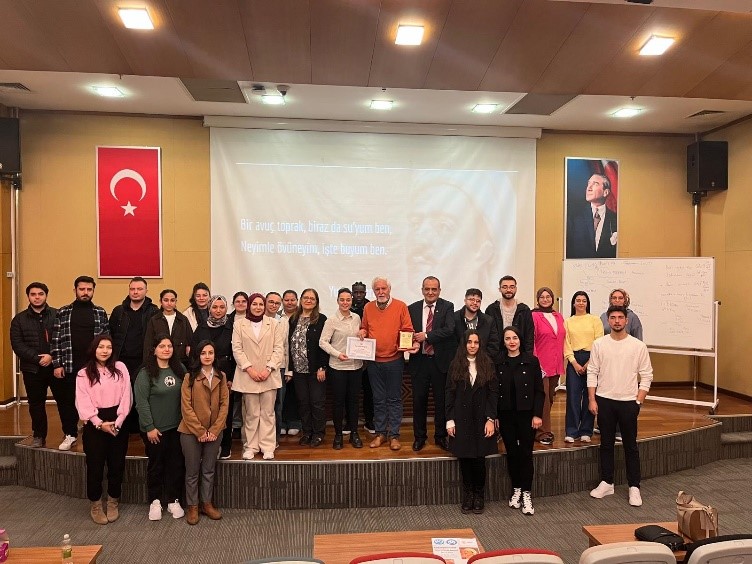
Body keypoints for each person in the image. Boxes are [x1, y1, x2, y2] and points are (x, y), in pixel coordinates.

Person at [588, 305, 653, 507]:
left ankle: (634, 486)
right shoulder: (599, 344)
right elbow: (592, 371)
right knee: (606, 444)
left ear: (626, 320)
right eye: (613, 317)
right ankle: (607, 482)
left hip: (628, 402)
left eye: (620, 317)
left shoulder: (637, 346)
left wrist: (638, 400)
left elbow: (647, 375)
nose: (616, 321)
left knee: (630, 445)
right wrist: (592, 399)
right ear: (608, 320)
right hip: (604, 400)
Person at [74, 334, 131, 525]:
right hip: (95, 424)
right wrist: (99, 423)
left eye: (108, 347)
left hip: (118, 421)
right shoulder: (83, 373)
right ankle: (96, 504)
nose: (105, 351)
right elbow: (82, 401)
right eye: (101, 347)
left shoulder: (121, 368)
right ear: (94, 349)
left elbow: (127, 396)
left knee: (117, 464)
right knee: (95, 466)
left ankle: (113, 501)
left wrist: (118, 421)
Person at [51, 275, 109, 451]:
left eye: (89, 289)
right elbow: (55, 340)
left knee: (95, 401)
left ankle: (94, 431)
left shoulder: (100, 312)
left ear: (93, 291)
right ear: (75, 290)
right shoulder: (63, 312)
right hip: (69, 365)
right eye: (82, 289)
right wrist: (57, 364)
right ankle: (70, 434)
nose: (85, 292)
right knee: (67, 402)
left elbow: (106, 340)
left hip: (93, 367)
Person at [358, 276, 416, 451]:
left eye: (384, 288)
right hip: (373, 362)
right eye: (377, 289)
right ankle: (381, 434)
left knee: (394, 399)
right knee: (378, 400)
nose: (381, 292)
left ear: (389, 289)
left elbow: (408, 329)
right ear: (373, 291)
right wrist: (362, 332)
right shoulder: (368, 307)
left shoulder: (401, 306)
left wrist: (408, 344)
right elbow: (364, 327)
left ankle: (394, 436)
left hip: (395, 361)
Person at [134, 335, 187, 521]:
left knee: (176, 464)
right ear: (154, 350)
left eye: (169, 346)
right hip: (154, 430)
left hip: (177, 428)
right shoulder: (145, 373)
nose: (166, 349)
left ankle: (173, 500)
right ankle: (155, 501)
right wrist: (149, 427)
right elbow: (141, 402)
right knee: (156, 465)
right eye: (162, 346)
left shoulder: (180, 369)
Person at [445, 329, 498, 514]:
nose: (473, 345)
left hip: (482, 419)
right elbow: (449, 393)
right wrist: (450, 420)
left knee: (479, 460)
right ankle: (467, 495)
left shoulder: (487, 364)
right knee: (465, 459)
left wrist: (490, 419)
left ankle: (479, 495)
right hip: (461, 419)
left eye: (476, 342)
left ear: (480, 344)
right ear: (464, 344)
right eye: (469, 342)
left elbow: (493, 394)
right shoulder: (455, 364)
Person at [178, 340, 229, 525]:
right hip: (191, 432)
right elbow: (186, 407)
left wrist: (214, 430)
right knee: (192, 472)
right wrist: (200, 431)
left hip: (215, 431)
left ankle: (206, 503)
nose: (207, 356)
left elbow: (224, 405)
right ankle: (192, 506)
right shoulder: (189, 377)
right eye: (203, 353)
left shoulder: (221, 376)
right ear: (198, 355)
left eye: (210, 353)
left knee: (208, 470)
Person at [497, 326, 544, 516]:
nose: (511, 342)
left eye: (515, 338)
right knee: (512, 453)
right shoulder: (498, 362)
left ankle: (526, 493)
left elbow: (539, 391)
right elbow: (494, 391)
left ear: (520, 340)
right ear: (503, 342)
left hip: (527, 415)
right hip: (506, 415)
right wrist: (494, 416)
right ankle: (516, 489)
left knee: (525, 453)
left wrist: (537, 414)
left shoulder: (532, 361)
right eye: (507, 338)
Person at [232, 293, 285, 459]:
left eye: (261, 304)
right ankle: (251, 446)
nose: (258, 307)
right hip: (248, 375)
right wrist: (250, 370)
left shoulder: (274, 324)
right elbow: (237, 349)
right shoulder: (239, 324)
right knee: (251, 413)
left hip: (269, 375)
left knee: (268, 413)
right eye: (254, 304)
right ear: (249, 305)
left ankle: (268, 446)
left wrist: (268, 369)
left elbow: (279, 349)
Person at [408, 276, 455, 452]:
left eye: (434, 289)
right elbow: (407, 332)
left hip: (439, 362)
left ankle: (440, 436)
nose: (430, 292)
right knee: (418, 401)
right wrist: (411, 342)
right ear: (422, 290)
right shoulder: (412, 308)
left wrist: (426, 336)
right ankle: (419, 437)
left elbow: (449, 330)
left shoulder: (447, 306)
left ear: (439, 291)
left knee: (441, 402)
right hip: (419, 362)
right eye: (427, 289)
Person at [10, 282, 58, 448]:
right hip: (32, 369)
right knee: (36, 404)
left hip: (56, 367)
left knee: (65, 402)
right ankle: (39, 435)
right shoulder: (19, 319)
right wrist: (38, 359)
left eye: (40, 294)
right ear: (28, 297)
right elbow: (17, 344)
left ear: (46, 295)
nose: (37, 297)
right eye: (33, 294)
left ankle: (70, 433)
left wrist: (51, 356)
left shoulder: (57, 315)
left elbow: (63, 339)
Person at [109, 276, 159, 433]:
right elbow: (111, 335)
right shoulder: (119, 311)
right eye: (132, 289)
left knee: (141, 394)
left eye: (139, 289)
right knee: (123, 394)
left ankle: (141, 426)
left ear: (146, 291)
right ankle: (125, 426)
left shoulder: (154, 311)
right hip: (121, 361)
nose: (135, 292)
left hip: (144, 361)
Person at [191, 296, 235, 460]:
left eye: (222, 307)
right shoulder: (201, 328)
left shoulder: (232, 327)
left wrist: (232, 378)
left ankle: (225, 446)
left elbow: (236, 354)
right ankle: (206, 443)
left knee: (225, 411)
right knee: (206, 409)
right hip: (203, 374)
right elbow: (194, 353)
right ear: (209, 309)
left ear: (226, 309)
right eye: (215, 307)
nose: (218, 310)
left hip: (225, 374)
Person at [319, 288, 364, 449]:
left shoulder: (357, 318)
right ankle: (338, 435)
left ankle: (354, 433)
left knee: (354, 402)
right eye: (342, 299)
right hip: (337, 367)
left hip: (356, 366)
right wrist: (337, 354)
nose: (345, 302)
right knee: (338, 402)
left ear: (351, 301)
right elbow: (323, 342)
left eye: (348, 300)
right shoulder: (331, 320)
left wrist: (363, 335)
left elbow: (361, 337)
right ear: (337, 301)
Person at [596, 288, 643, 442]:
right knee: (607, 396)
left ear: (625, 300)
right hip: (607, 363)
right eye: (614, 298)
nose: (617, 300)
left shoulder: (633, 317)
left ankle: (620, 430)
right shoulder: (603, 316)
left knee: (623, 398)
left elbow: (638, 341)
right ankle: (605, 426)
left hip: (626, 365)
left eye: (620, 298)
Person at [288, 288, 329, 447]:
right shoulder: (293, 319)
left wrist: (322, 367)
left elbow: (324, 344)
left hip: (315, 369)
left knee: (317, 403)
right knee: (303, 402)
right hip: (298, 370)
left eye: (312, 298)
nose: (308, 300)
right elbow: (288, 344)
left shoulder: (321, 319)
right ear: (301, 300)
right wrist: (290, 368)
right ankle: (307, 432)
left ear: (316, 302)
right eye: (306, 297)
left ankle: (318, 433)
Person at [563, 291, 603, 443]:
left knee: (589, 396)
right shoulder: (568, 321)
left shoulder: (595, 320)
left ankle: (586, 430)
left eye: (583, 300)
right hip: (574, 359)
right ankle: (571, 431)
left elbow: (599, 342)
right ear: (573, 303)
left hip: (592, 358)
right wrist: (574, 362)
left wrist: (589, 363)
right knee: (573, 397)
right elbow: (566, 343)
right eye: (578, 300)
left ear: (587, 303)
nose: (581, 303)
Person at [531, 287, 566, 446]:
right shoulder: (534, 316)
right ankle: (543, 432)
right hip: (541, 366)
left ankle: (539, 425)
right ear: (538, 300)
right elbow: (531, 340)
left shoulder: (558, 316)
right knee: (543, 398)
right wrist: (536, 363)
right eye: (542, 297)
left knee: (550, 397)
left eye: (548, 296)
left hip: (556, 364)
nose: (545, 299)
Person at [266, 292, 297, 438]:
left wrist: (289, 370)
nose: (274, 305)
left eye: (276, 303)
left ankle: (276, 435)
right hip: (261, 368)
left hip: (281, 367)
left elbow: (286, 346)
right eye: (271, 302)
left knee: (279, 402)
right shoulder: (257, 319)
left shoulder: (283, 321)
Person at [566, 173, 618, 259]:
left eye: (595, 184)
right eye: (588, 183)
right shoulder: (574, 216)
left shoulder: (615, 219)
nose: (589, 188)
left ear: (605, 192)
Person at [144, 289, 193, 366]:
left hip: (180, 362)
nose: (169, 303)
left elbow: (190, 342)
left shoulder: (183, 320)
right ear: (161, 301)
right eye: (166, 300)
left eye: (172, 300)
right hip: (158, 363)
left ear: (176, 301)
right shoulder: (154, 320)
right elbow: (148, 344)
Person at [485, 276, 534, 353]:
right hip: (497, 354)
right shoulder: (491, 309)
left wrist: (528, 355)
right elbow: (488, 336)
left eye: (512, 287)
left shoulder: (524, 310)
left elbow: (529, 335)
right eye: (505, 287)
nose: (508, 290)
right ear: (499, 289)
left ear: (516, 289)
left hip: (520, 354)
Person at [450, 289, 500, 360]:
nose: (475, 303)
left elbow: (493, 345)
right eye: (472, 300)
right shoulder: (454, 318)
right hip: (459, 362)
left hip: (483, 362)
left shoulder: (488, 321)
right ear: (465, 300)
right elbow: (450, 344)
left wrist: (481, 360)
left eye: (478, 301)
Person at [350, 281, 373, 434]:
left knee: (369, 391)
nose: (358, 295)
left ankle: (369, 420)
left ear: (365, 293)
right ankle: (349, 422)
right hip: (351, 357)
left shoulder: (371, 307)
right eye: (356, 292)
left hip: (368, 357)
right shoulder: (347, 307)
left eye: (361, 292)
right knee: (351, 392)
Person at [279, 290, 302, 437]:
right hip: (281, 361)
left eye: (292, 300)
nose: (290, 303)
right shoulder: (277, 317)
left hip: (299, 361)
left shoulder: (302, 316)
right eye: (287, 300)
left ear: (297, 301)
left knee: (295, 394)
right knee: (281, 396)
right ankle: (281, 422)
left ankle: (295, 422)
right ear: (282, 301)